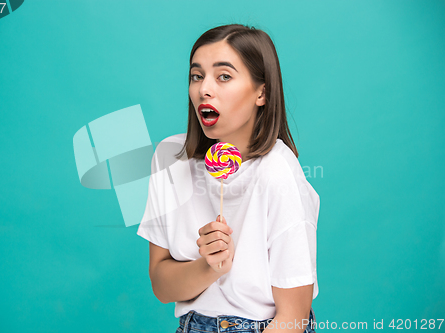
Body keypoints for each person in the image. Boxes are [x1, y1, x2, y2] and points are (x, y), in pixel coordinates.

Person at [137, 24, 319, 333]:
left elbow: (294, 317)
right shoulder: (169, 157)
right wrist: (209, 265)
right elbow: (162, 287)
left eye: (224, 76)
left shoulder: (278, 172)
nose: (204, 89)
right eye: (197, 76)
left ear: (262, 92)